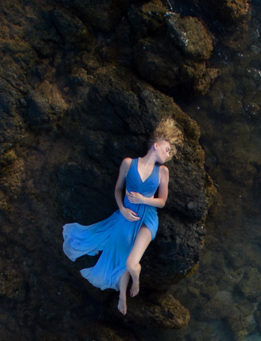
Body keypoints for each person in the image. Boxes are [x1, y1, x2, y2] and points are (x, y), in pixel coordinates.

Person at [62, 118, 182, 315]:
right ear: (156, 145)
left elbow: (162, 202)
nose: (168, 154)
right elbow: (118, 190)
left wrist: (143, 199)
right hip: (126, 217)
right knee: (121, 256)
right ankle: (122, 295)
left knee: (130, 263)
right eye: (167, 149)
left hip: (148, 220)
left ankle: (136, 280)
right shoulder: (128, 163)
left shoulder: (163, 172)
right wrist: (123, 210)